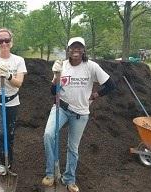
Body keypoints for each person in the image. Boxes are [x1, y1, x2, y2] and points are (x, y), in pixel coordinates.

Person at [41, 37, 117, 192]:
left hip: (80, 113)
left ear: (83, 50)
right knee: (49, 135)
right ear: (68, 49)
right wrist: (56, 76)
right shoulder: (62, 66)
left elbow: (111, 85)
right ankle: (51, 173)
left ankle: (69, 179)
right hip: (60, 107)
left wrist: (96, 95)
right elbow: (52, 92)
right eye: (72, 47)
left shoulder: (91, 67)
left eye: (79, 47)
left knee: (73, 148)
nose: (76, 50)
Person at [0, 28, 27, 176]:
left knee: (10, 134)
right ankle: (2, 162)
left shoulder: (18, 60)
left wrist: (8, 76)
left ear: (11, 42)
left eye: (6, 40)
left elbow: (19, 83)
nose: (4, 43)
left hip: (12, 101)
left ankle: (8, 162)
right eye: (0, 41)